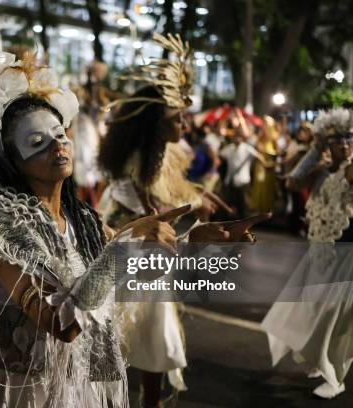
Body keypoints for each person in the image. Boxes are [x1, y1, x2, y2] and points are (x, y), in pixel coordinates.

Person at [0, 48, 196, 408]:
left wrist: (202, 237)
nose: (58, 145)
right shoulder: (4, 234)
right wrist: (121, 249)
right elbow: (61, 323)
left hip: (69, 386)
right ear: (12, 163)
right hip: (14, 394)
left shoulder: (78, 220)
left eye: (60, 134)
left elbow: (123, 247)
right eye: (37, 143)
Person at [96, 34, 261, 407]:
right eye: (177, 118)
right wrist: (182, 220)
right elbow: (135, 211)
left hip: (150, 248)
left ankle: (148, 400)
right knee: (117, 336)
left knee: (156, 335)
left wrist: (196, 198)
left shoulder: (167, 153)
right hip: (128, 245)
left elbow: (171, 192)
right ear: (155, 124)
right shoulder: (134, 162)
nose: (185, 123)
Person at [262, 108, 353, 399]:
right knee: (312, 314)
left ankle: (337, 378)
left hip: (350, 256)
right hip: (322, 253)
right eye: (336, 140)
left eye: (349, 139)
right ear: (326, 143)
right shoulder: (321, 170)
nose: (344, 145)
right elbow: (292, 181)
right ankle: (324, 364)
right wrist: (314, 151)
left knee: (339, 319)